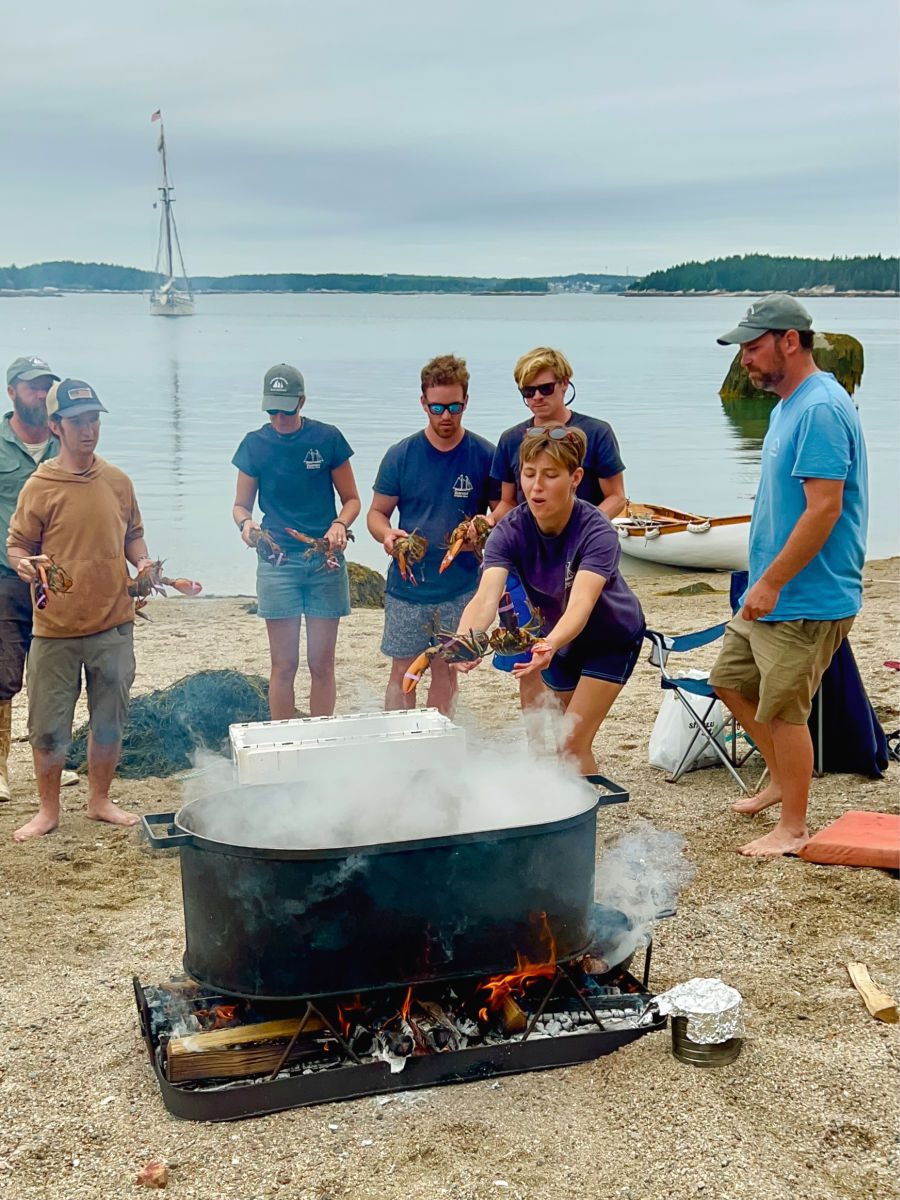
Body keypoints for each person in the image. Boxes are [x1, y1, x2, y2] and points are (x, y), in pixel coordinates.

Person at [709, 295, 869, 858]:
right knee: (728, 680)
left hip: (808, 593)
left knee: (783, 710)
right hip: (775, 590)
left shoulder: (822, 408)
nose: (745, 360)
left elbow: (825, 508)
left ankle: (794, 826)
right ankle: (781, 781)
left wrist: (773, 580)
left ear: (791, 341)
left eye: (753, 347)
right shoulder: (786, 406)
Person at [7, 379, 154, 841]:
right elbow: (17, 546)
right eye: (77, 422)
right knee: (48, 727)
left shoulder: (118, 481)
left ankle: (99, 800)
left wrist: (143, 562)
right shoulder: (40, 485)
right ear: (56, 426)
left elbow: (132, 534)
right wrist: (25, 567)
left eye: (93, 419)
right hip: (54, 628)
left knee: (109, 720)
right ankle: (48, 810)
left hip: (113, 622)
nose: (88, 430)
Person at [455, 424, 645, 774]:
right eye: (528, 474)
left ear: (575, 477)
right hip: (557, 640)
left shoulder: (596, 530)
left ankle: (583, 823)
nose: (536, 485)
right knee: (564, 738)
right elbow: (485, 597)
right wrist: (467, 640)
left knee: (571, 742)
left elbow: (582, 604)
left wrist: (549, 643)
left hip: (611, 637)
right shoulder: (508, 531)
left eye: (550, 475)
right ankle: (569, 809)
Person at [486, 346, 628, 710]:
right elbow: (505, 503)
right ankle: (536, 750)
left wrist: (582, 533)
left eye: (544, 388)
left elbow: (617, 497)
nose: (535, 398)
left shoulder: (596, 433)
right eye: (526, 392)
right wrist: (488, 525)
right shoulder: (510, 439)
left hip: (583, 555)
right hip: (528, 559)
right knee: (526, 651)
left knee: (575, 635)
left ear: (565, 384)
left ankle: (568, 734)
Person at [367, 354, 497, 715]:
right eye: (437, 406)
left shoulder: (485, 455)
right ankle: (400, 747)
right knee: (402, 672)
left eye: (454, 406)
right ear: (423, 402)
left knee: (446, 671)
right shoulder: (401, 455)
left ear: (466, 402)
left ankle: (438, 754)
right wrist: (386, 535)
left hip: (460, 587)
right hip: (407, 588)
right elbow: (377, 512)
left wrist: (483, 526)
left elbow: (504, 507)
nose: (445, 416)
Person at [232, 364, 360, 719]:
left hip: (325, 559)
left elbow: (352, 499)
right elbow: (241, 505)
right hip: (278, 563)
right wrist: (246, 525)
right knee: (283, 665)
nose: (279, 416)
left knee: (321, 664)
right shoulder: (254, 445)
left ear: (301, 402)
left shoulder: (327, 439)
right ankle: (283, 743)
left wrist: (339, 524)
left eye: (286, 408)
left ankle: (320, 738)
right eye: (272, 408)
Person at [0, 356, 80, 804]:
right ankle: (0, 771)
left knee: (55, 672)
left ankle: (52, 760)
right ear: (12, 392)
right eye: (32, 387)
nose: (40, 394)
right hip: (5, 575)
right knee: (3, 670)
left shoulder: (65, 444)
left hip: (57, 579)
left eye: (47, 387)